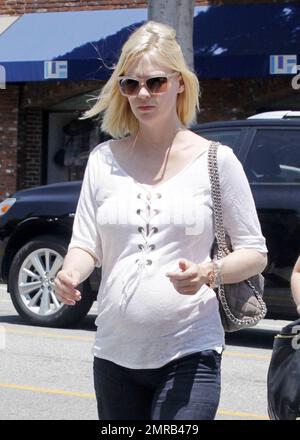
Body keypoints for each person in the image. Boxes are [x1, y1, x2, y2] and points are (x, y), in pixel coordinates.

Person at [54, 21, 268, 420]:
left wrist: (210, 271)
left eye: (155, 82)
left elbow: (255, 254)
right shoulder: (104, 159)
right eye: (130, 84)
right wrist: (70, 274)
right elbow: (85, 244)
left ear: (180, 83)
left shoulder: (216, 160)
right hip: (114, 352)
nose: (143, 94)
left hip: (191, 349)